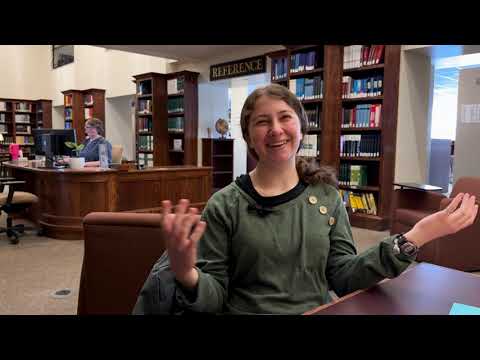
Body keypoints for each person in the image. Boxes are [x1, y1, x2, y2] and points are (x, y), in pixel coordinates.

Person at [136, 83, 478, 315]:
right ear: (248, 137)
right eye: (262, 122)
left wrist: (419, 234)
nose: (275, 129)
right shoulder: (225, 204)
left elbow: (344, 278)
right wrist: (186, 272)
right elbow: (213, 298)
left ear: (301, 127)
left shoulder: (326, 196)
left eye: (285, 117)